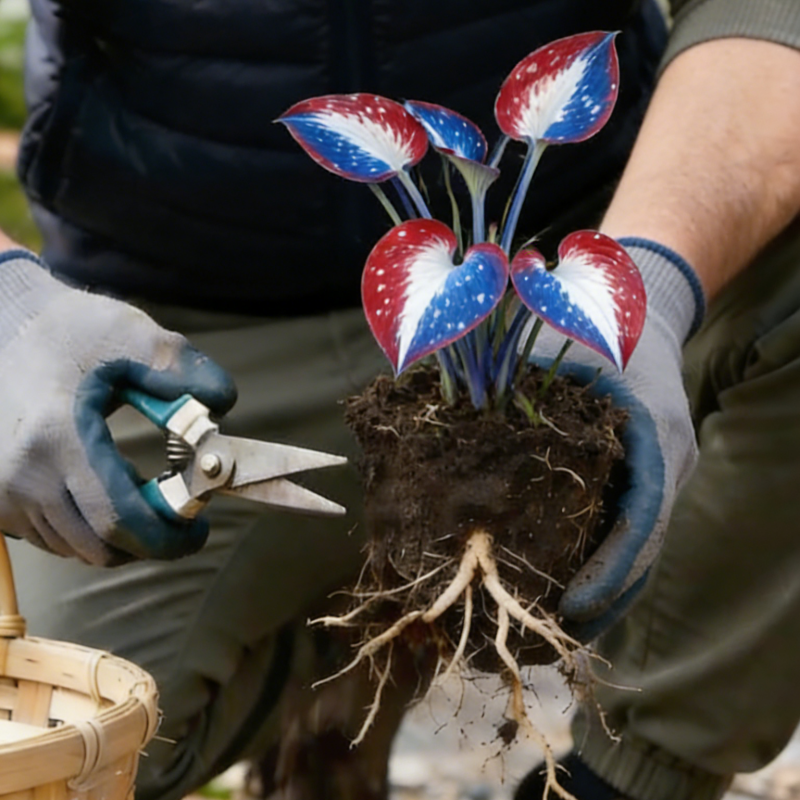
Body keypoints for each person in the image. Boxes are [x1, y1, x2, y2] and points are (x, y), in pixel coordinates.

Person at [0, 2, 797, 800]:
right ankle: (346, 650)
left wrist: (652, 286)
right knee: (52, 744)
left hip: (555, 296)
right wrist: (10, 304)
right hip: (167, 335)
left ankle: (621, 781)